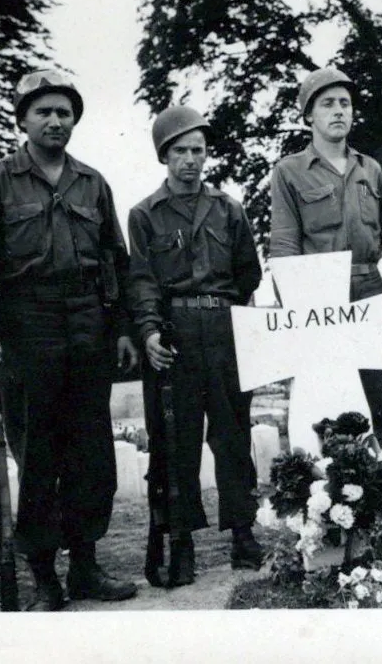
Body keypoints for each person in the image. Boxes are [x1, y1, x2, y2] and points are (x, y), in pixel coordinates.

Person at [0, 69, 139, 610]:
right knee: (39, 454)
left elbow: (117, 259)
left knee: (92, 452)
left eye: (64, 112)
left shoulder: (92, 183)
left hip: (89, 323)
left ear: (75, 120)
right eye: (43, 111)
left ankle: (86, 568)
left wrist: (120, 328)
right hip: (27, 324)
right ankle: (45, 577)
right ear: (21, 119)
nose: (54, 120)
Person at [127, 106, 264, 584]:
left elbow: (250, 271)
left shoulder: (228, 208)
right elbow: (142, 281)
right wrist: (149, 333)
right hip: (174, 335)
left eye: (198, 150)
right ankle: (180, 540)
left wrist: (226, 314)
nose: (190, 159)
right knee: (175, 443)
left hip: (224, 331)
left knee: (233, 435)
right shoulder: (145, 215)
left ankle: (243, 535)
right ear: (164, 155)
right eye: (180, 151)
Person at [269, 67, 382, 445]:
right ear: (308, 115)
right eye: (327, 104)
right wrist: (293, 306)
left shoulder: (370, 169)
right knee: (331, 401)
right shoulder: (290, 171)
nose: (339, 111)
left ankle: (381, 491)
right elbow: (284, 244)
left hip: (369, 288)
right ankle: (335, 495)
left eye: (345, 103)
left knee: (376, 393)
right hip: (318, 295)